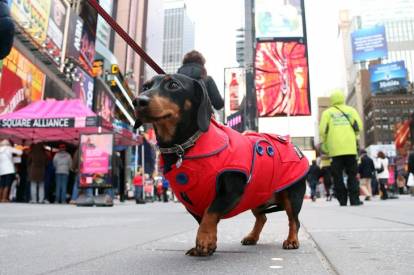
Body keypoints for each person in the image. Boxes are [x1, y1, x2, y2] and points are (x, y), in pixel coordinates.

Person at [319, 90, 363, 206]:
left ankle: (342, 201)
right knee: (352, 175)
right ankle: (355, 200)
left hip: (335, 151)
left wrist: (327, 143)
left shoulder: (327, 113)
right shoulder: (351, 110)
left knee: (337, 176)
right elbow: (359, 127)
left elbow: (322, 131)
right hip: (350, 149)